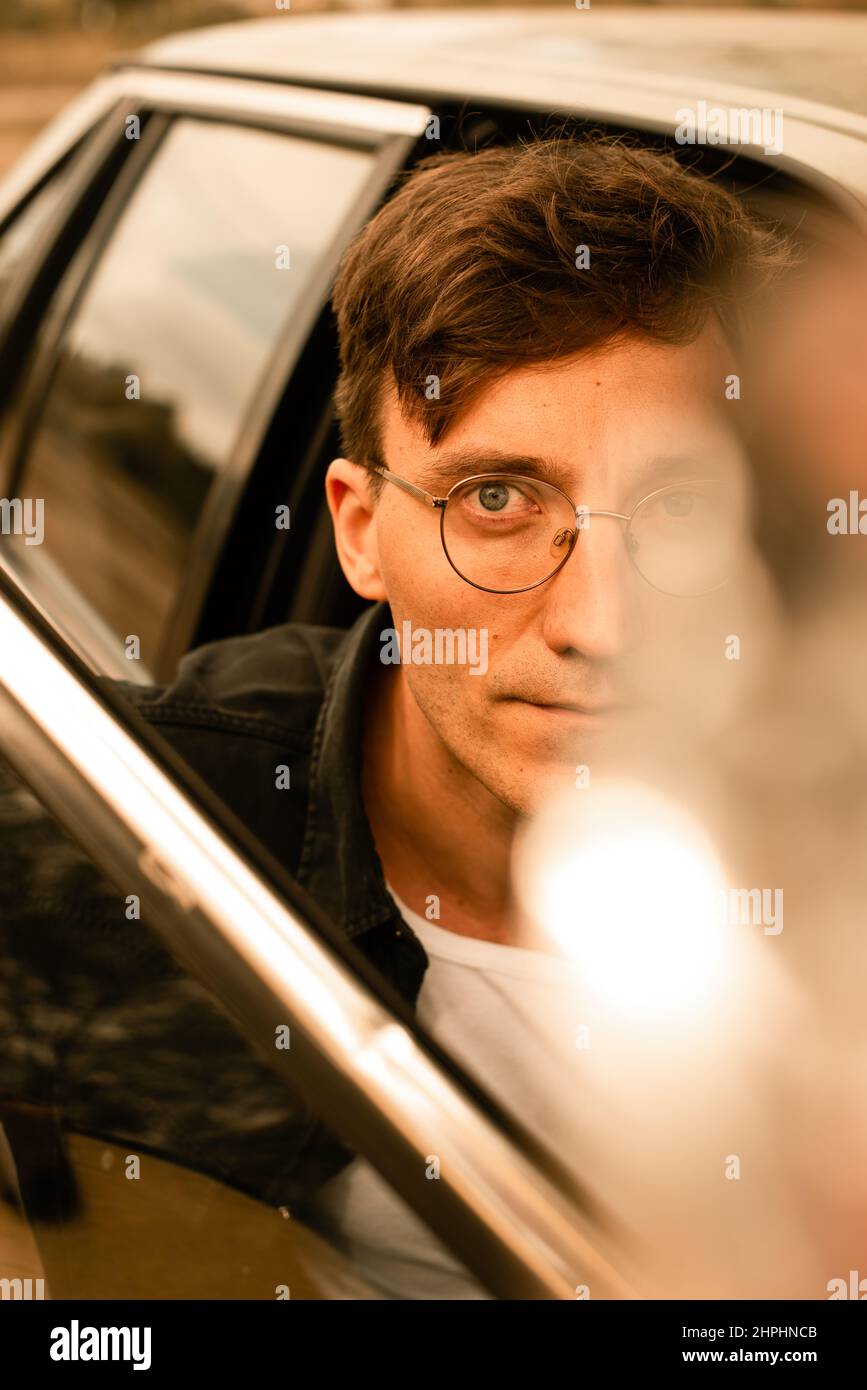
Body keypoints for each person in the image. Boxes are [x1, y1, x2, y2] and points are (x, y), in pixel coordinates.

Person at [0, 134, 795, 1297]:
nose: (603, 624)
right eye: (497, 500)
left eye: (679, 504)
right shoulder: (124, 827)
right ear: (358, 528)